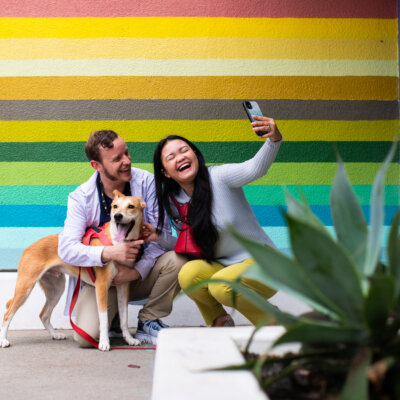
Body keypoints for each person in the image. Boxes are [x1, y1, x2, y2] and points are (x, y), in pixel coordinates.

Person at [143, 115, 282, 327]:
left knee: (221, 286)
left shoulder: (219, 177)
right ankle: (219, 320)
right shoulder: (174, 201)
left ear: (195, 155)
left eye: (184, 150)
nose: (180, 157)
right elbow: (188, 245)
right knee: (188, 273)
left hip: (264, 264)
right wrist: (158, 237)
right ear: (165, 172)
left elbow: (255, 168)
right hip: (224, 267)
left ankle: (274, 321)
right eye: (171, 157)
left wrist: (273, 140)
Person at [58, 130, 187, 346]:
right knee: (84, 339)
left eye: (126, 153)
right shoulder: (81, 198)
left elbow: (159, 237)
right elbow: (67, 249)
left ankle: (148, 320)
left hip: (140, 274)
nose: (126, 161)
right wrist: (108, 252)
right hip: (102, 280)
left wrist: (136, 271)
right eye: (117, 159)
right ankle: (115, 320)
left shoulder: (147, 183)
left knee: (179, 259)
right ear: (97, 165)